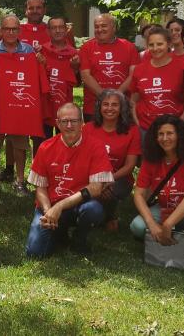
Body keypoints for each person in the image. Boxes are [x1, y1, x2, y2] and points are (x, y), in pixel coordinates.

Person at [129, 115, 184, 270]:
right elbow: (138, 195)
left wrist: (168, 224)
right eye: (160, 134)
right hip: (166, 208)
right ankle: (174, 241)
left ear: (179, 135)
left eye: (170, 133)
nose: (165, 138)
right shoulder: (151, 158)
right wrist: (152, 225)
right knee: (137, 226)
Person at [25, 103, 112, 257]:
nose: (69, 125)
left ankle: (79, 240)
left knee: (94, 210)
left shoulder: (96, 146)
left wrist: (59, 207)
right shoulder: (45, 147)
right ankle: (59, 231)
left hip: (79, 205)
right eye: (64, 121)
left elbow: (96, 188)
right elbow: (40, 187)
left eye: (74, 121)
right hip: (49, 206)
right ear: (57, 124)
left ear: (82, 123)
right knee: (35, 254)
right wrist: (48, 211)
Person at [0, 15, 40, 194]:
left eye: (14, 29)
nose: (10, 32)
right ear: (0, 30)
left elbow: (35, 76)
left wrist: (41, 62)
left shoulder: (28, 51)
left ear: (19, 31)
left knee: (20, 144)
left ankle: (20, 180)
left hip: (19, 105)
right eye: (7, 29)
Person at [83, 89, 141, 231]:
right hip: (90, 176)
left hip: (118, 178)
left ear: (122, 108)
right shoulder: (88, 128)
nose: (109, 108)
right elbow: (81, 159)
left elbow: (130, 166)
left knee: (109, 190)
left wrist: (107, 179)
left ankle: (109, 215)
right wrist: (96, 181)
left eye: (115, 105)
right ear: (99, 107)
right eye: (106, 104)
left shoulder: (132, 131)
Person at [130, 27, 184, 136]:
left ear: (168, 44)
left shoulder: (181, 67)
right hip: (147, 130)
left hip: (174, 130)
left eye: (159, 44)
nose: (155, 48)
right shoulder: (139, 69)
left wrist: (180, 124)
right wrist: (138, 123)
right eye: (151, 45)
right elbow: (133, 101)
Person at [79, 13, 140, 121]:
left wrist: (117, 96)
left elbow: (134, 74)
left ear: (114, 27)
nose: (99, 29)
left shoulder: (129, 47)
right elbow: (85, 76)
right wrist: (105, 97)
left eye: (103, 26)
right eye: (96, 26)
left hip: (123, 105)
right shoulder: (86, 48)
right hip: (93, 107)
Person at [40, 16, 81, 150]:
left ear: (66, 30)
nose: (57, 31)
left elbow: (79, 83)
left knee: (65, 144)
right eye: (54, 28)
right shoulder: (41, 51)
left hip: (65, 109)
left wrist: (75, 69)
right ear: (48, 31)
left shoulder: (74, 54)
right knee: (41, 144)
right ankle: (40, 169)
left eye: (61, 27)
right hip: (44, 107)